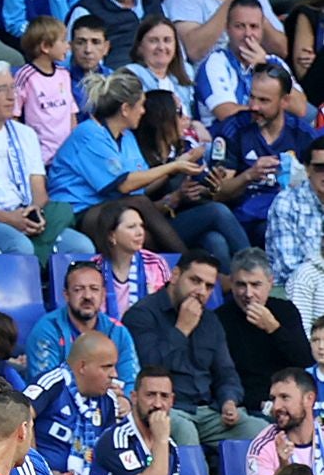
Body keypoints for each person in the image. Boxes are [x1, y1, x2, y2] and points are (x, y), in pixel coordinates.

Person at [0, 61, 92, 260]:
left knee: (82, 247)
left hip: (27, 215)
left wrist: (33, 212)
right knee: (21, 248)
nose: (13, 96)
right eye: (3, 90)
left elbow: (38, 189)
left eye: (13, 87)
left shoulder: (25, 134)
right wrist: (7, 218)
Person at [122, 250, 266, 445]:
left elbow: (226, 372)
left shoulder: (210, 320)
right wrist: (182, 329)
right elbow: (149, 368)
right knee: (185, 430)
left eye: (208, 287)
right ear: (174, 276)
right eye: (195, 281)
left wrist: (228, 401)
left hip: (208, 411)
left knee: (262, 432)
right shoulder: (142, 314)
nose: (201, 291)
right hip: (165, 408)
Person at [48, 70, 200, 251]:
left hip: (111, 210)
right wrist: (172, 166)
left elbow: (140, 185)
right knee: (139, 204)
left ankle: (170, 272)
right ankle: (184, 262)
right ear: (126, 109)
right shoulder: (89, 134)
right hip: (77, 214)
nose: (144, 112)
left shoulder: (127, 137)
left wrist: (176, 168)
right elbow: (125, 185)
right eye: (141, 105)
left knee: (143, 231)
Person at [207, 65, 310, 245]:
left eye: (264, 100)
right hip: (241, 221)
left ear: (284, 101)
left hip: (289, 218)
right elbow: (218, 193)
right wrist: (249, 176)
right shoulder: (234, 129)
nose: (253, 106)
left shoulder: (301, 134)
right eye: (252, 97)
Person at [25, 330, 122, 475]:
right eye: (106, 367)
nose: (114, 375)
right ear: (82, 366)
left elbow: (112, 450)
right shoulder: (53, 383)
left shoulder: (108, 401)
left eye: (114, 366)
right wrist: (39, 471)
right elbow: (20, 415)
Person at [217, 248, 310, 414]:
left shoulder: (285, 311)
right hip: (244, 405)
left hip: (285, 402)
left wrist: (274, 328)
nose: (248, 293)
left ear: (270, 283)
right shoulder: (221, 318)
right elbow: (221, 374)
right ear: (231, 283)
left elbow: (304, 360)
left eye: (255, 285)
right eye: (241, 285)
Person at [27, 260, 141, 390]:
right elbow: (46, 389)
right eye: (78, 289)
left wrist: (125, 401)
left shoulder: (117, 331)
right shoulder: (47, 330)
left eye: (94, 289)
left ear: (103, 294)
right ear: (66, 295)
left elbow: (131, 383)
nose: (87, 296)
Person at [87, 363, 185, 475]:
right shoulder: (116, 439)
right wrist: (161, 440)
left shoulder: (170, 447)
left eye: (164, 396)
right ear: (134, 397)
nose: (157, 404)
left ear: (172, 401)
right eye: (150, 395)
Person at [193, 0, 298, 123]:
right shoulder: (215, 63)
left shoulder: (273, 62)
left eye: (254, 27)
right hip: (227, 139)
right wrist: (275, 116)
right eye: (240, 26)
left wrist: (265, 68)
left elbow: (301, 108)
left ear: (262, 30)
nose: (248, 34)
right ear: (227, 28)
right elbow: (227, 113)